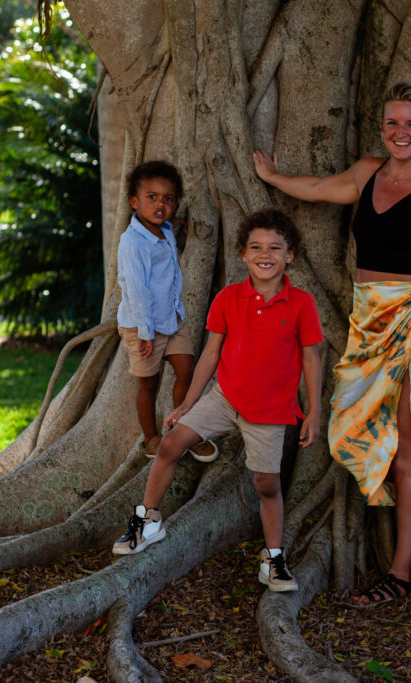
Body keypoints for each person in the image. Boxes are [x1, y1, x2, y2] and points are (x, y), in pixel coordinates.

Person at [253, 81, 411, 606]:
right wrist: (272, 176)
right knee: (359, 425)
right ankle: (394, 562)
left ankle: (400, 574)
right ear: (382, 128)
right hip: (368, 320)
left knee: (407, 452)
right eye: (393, 123)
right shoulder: (367, 172)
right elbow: (320, 189)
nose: (401, 133)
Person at [112, 208, 324, 594]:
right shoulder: (228, 298)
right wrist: (187, 405)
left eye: (275, 247)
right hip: (224, 397)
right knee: (171, 443)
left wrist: (314, 411)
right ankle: (149, 520)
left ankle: (273, 558)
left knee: (266, 484)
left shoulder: (302, 304)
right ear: (243, 254)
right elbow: (210, 355)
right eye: (256, 247)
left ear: (290, 255)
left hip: (270, 410)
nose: (266, 254)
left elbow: (311, 357)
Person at [116, 161, 217, 461]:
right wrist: (146, 333)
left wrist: (178, 223)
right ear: (134, 202)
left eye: (168, 199)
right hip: (142, 325)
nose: (160, 204)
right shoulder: (132, 243)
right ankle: (150, 439)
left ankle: (182, 429)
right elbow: (136, 291)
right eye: (152, 197)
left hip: (171, 320)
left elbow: (168, 225)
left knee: (188, 369)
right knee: (149, 382)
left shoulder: (164, 230)